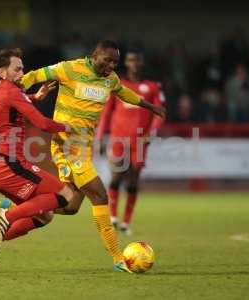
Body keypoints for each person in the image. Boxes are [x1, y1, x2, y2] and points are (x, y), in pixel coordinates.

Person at [21, 40, 166, 270]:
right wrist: (12, 91)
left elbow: (124, 93)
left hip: (83, 148)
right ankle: (119, 258)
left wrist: (149, 106)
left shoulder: (111, 79)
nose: (111, 65)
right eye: (107, 60)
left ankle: (18, 204)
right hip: (68, 145)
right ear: (94, 55)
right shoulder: (69, 68)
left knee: (70, 206)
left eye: (115, 62)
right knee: (100, 195)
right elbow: (34, 75)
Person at [0, 48, 78, 271]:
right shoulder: (11, 92)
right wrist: (69, 127)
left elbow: (5, 103)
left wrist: (33, 97)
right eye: (17, 68)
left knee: (45, 216)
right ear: (2, 70)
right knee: (66, 195)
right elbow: (43, 124)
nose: (22, 72)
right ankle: (7, 214)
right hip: (11, 165)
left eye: (22, 67)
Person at [96, 49, 165, 234]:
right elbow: (106, 112)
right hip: (119, 138)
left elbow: (160, 112)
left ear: (141, 63)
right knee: (116, 177)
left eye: (136, 60)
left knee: (133, 182)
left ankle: (126, 223)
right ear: (126, 63)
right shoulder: (117, 84)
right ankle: (112, 217)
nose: (133, 63)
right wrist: (101, 136)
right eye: (130, 60)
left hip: (140, 140)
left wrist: (152, 133)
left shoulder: (152, 87)